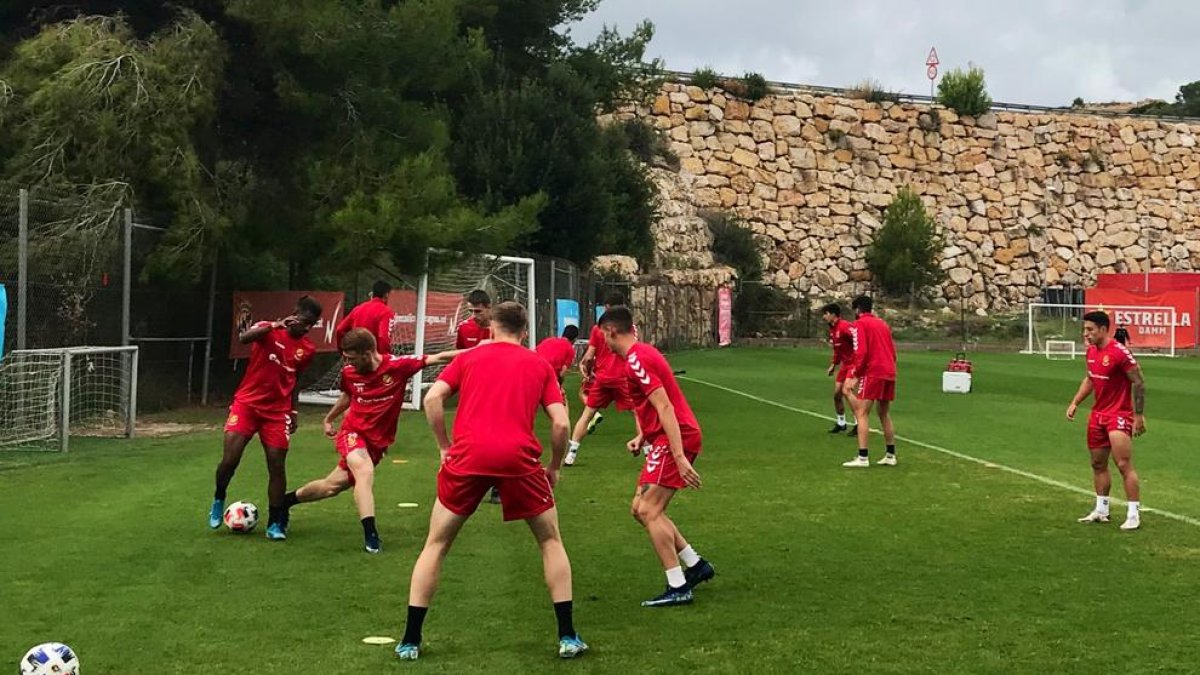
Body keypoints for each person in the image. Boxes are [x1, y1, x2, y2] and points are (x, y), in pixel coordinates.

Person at [394, 301, 587, 661]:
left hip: (468, 457)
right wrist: (555, 465)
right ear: (525, 332)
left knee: (436, 544)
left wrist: (444, 446)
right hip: (519, 459)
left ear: (491, 329)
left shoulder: (468, 358)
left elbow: (432, 398)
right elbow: (561, 424)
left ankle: (410, 640)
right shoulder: (539, 364)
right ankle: (568, 636)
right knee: (549, 541)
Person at [280, 329, 459, 552]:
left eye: (352, 358)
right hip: (352, 433)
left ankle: (285, 502)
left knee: (330, 487)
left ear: (368, 353)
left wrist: (481, 350)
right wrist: (329, 418)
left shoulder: (397, 366)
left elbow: (439, 357)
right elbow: (347, 396)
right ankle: (371, 537)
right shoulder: (349, 373)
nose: (348, 363)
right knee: (364, 471)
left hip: (377, 443)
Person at [599, 306, 714, 608]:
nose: (604, 344)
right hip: (662, 437)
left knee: (650, 510)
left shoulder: (638, 359)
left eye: (603, 337)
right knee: (640, 509)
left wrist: (678, 456)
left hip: (675, 437)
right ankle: (695, 565)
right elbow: (652, 407)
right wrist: (642, 436)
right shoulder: (638, 357)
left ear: (611, 331)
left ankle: (678, 586)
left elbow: (665, 407)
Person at [210, 296, 323, 539]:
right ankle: (219, 497)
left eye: (311, 324)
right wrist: (276, 325)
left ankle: (275, 522)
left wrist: (293, 410)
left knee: (276, 462)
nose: (306, 328)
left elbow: (295, 380)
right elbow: (243, 338)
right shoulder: (267, 330)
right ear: (294, 314)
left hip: (277, 412)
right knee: (231, 458)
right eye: (304, 321)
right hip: (247, 405)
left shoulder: (308, 349)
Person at [1067, 310, 1146, 530]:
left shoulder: (1120, 352)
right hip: (1098, 415)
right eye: (1084, 329)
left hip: (1119, 415)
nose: (1086, 333)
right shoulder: (1091, 352)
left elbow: (1139, 382)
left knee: (1123, 464)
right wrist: (1075, 402)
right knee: (1097, 463)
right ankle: (1101, 509)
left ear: (1103, 329)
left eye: (1090, 329)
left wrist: (1138, 415)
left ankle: (1133, 514)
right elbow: (1091, 378)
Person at [566, 291, 633, 466]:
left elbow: (589, 356)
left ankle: (571, 454)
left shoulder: (598, 328)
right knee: (639, 413)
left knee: (587, 414)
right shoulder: (629, 328)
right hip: (622, 377)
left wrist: (585, 367)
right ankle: (649, 454)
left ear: (609, 308)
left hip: (602, 378)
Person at [841, 296, 898, 468]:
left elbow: (861, 352)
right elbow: (892, 350)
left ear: (857, 309)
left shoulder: (860, 324)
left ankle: (863, 457)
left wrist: (854, 375)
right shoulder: (883, 324)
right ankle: (890, 454)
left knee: (861, 412)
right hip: (889, 370)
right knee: (883, 413)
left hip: (873, 371)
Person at [821, 303, 855, 434]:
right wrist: (833, 365)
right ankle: (841, 423)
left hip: (853, 364)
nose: (824, 317)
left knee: (847, 392)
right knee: (837, 395)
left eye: (825, 314)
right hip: (844, 365)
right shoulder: (833, 329)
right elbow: (837, 350)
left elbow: (859, 340)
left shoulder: (845, 326)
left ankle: (859, 422)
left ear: (833, 314)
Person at [336, 280, 395, 355]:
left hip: (356, 357)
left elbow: (339, 330)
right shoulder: (386, 311)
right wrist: (385, 358)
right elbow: (383, 338)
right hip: (373, 360)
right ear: (386, 295)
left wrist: (343, 352)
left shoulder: (358, 309)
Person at [537, 325, 581, 417]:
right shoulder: (569, 349)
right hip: (547, 376)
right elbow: (562, 373)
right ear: (574, 339)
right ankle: (565, 426)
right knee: (562, 403)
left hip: (532, 373)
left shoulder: (548, 341)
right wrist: (560, 386)